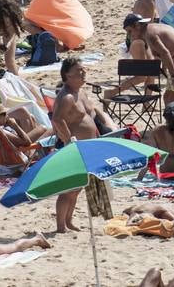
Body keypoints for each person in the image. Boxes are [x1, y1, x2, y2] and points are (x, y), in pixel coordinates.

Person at [52, 56, 111, 232]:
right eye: (78, 70)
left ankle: (69, 221)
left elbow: (90, 115)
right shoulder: (67, 97)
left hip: (88, 147)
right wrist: (68, 139)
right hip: (74, 148)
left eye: (83, 69)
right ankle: (61, 226)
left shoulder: (81, 93)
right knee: (69, 188)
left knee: (78, 188)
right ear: (67, 76)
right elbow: (56, 119)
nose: (83, 72)